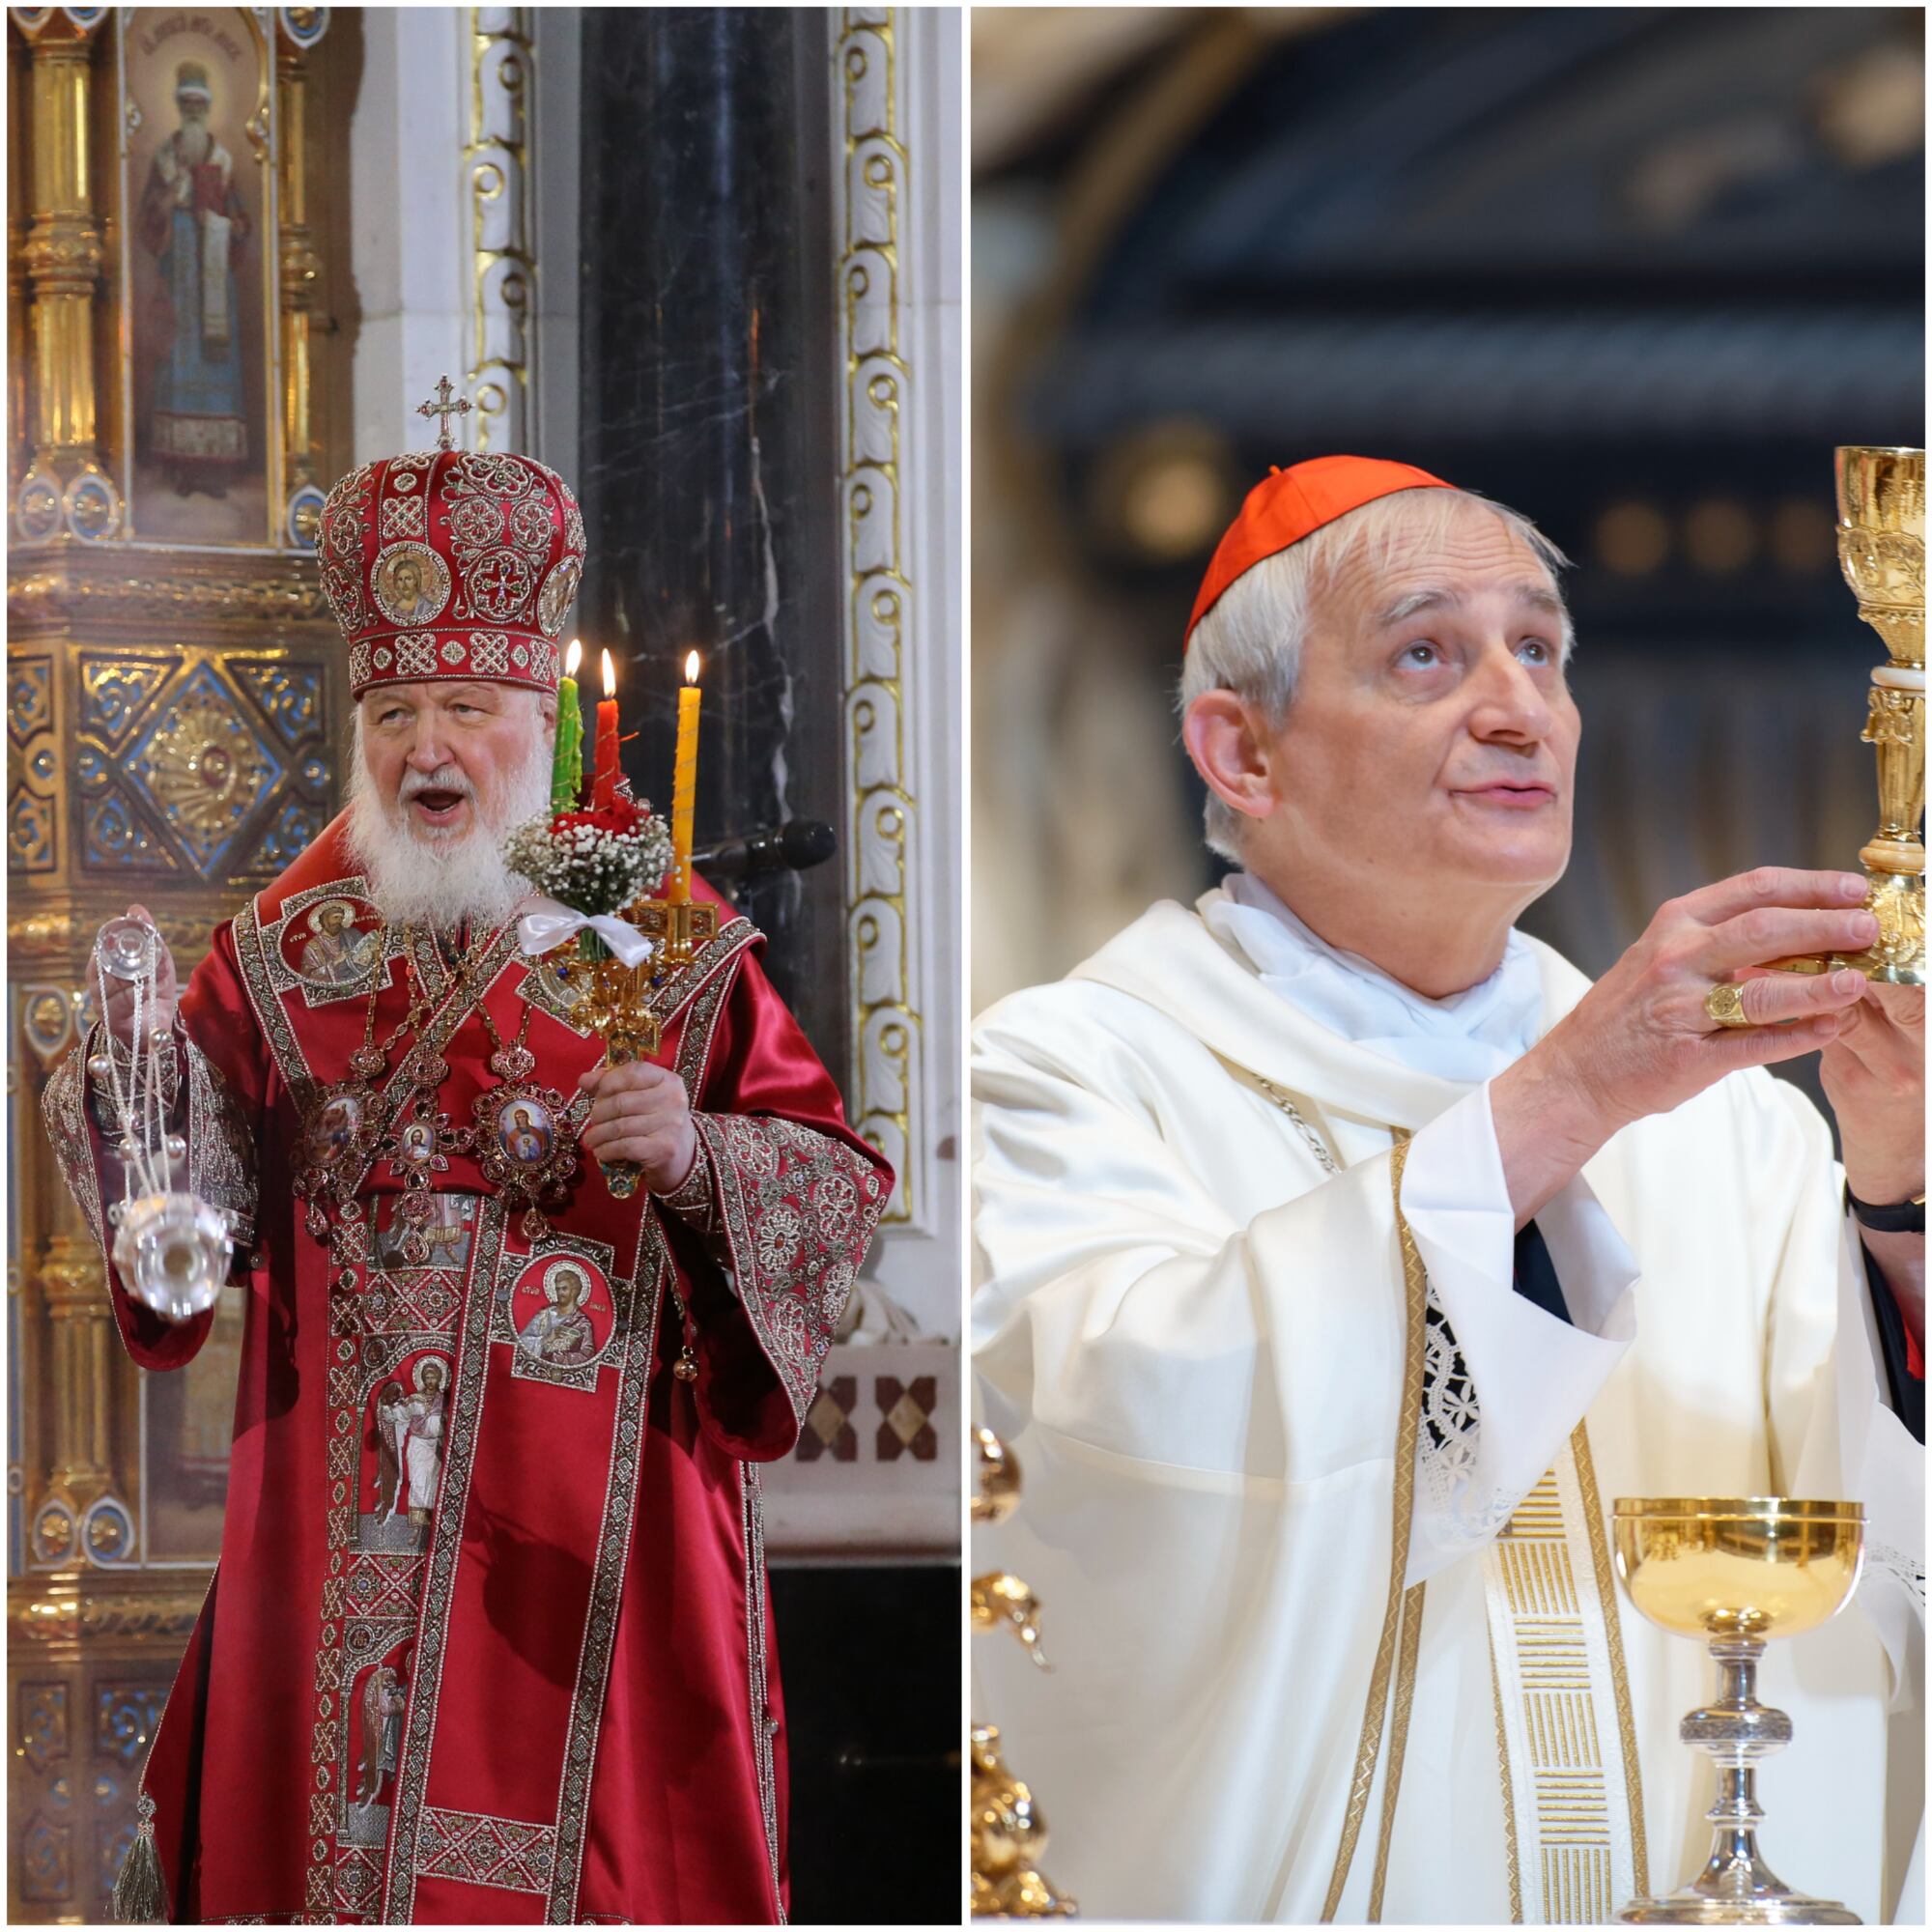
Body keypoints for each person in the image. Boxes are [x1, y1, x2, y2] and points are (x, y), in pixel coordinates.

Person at [971, 457, 1924, 1925]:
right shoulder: (1074, 1077)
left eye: (1540, 650)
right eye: (1427, 652)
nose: (1517, 706)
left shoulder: (1725, 1128)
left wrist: (1902, 1193)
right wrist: (1574, 1095)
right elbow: (1111, 1470)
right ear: (1241, 751)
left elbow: (1872, 1531)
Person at [45, 404, 893, 1925]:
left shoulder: (669, 945)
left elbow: (832, 1179)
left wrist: (698, 1158)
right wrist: (123, 1113)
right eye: (390, 716)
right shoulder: (276, 961)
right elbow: (182, 1226)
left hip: (586, 1555)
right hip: (337, 1524)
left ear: (540, 717)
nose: (426, 748)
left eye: (464, 707)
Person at [136, 62, 250, 497]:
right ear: (178, 107)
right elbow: (147, 220)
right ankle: (180, 468)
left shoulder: (223, 161)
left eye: (199, 104)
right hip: (180, 278)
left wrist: (232, 225)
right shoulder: (165, 160)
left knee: (217, 364)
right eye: (186, 104)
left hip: (216, 278)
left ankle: (216, 470)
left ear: (208, 107)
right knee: (178, 360)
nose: (193, 111)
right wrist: (170, 200)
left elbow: (241, 215)